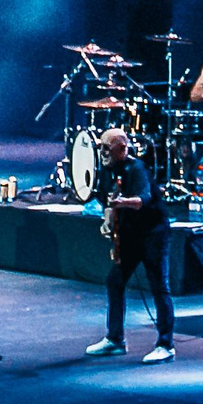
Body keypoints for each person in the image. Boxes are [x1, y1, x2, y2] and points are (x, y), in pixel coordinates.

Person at [85, 129, 175, 362]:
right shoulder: (106, 171)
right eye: (101, 148)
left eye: (108, 148)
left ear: (122, 149)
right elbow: (106, 200)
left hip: (153, 234)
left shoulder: (137, 169)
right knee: (115, 281)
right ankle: (115, 339)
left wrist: (122, 202)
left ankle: (166, 344)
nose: (103, 153)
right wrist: (108, 222)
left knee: (159, 286)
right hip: (130, 235)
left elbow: (142, 200)